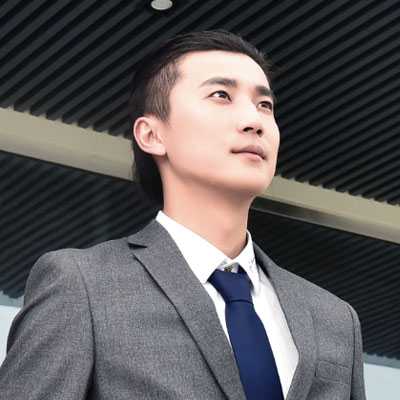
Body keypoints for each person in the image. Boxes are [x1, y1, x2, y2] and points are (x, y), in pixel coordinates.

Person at [0, 30, 365, 400]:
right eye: (221, 95)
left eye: (264, 105)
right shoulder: (83, 286)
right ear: (152, 135)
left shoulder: (334, 318)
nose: (254, 120)